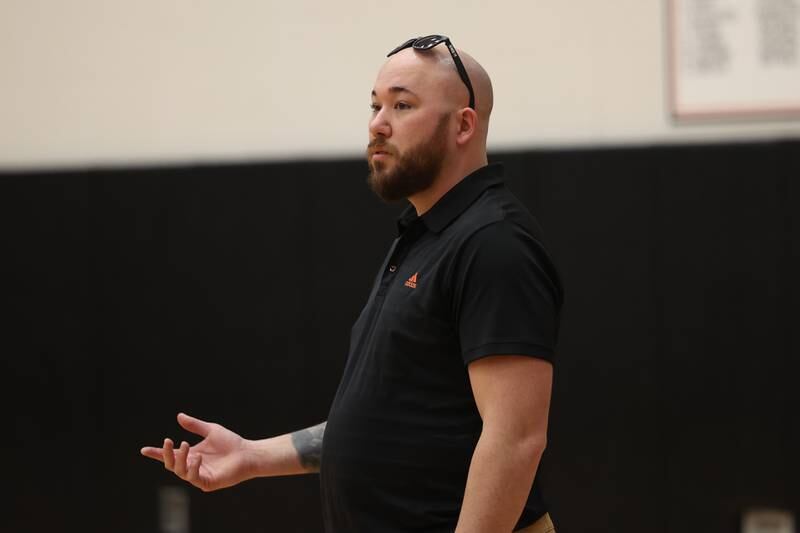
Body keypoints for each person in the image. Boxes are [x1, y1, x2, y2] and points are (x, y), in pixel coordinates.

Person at [141, 35, 563, 533]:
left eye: (402, 105)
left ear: (463, 124)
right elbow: (390, 426)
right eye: (375, 105)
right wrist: (254, 456)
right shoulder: (424, 236)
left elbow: (516, 438)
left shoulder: (493, 242)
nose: (378, 124)